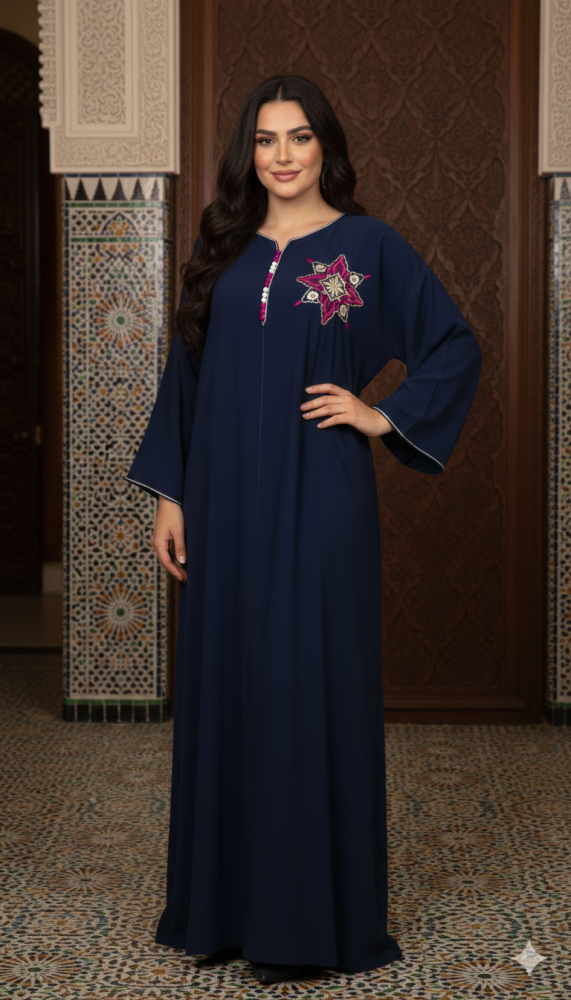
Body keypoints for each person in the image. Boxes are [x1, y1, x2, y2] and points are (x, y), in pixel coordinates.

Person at [127, 75, 481, 984]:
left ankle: (304, 925)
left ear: (326, 146)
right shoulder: (222, 246)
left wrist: (378, 414)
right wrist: (172, 494)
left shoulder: (367, 247)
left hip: (320, 498)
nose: (281, 156)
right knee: (227, 683)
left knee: (302, 684)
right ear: (247, 153)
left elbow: (453, 343)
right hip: (221, 501)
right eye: (264, 140)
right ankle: (221, 914)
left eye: (298, 137)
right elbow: (185, 373)